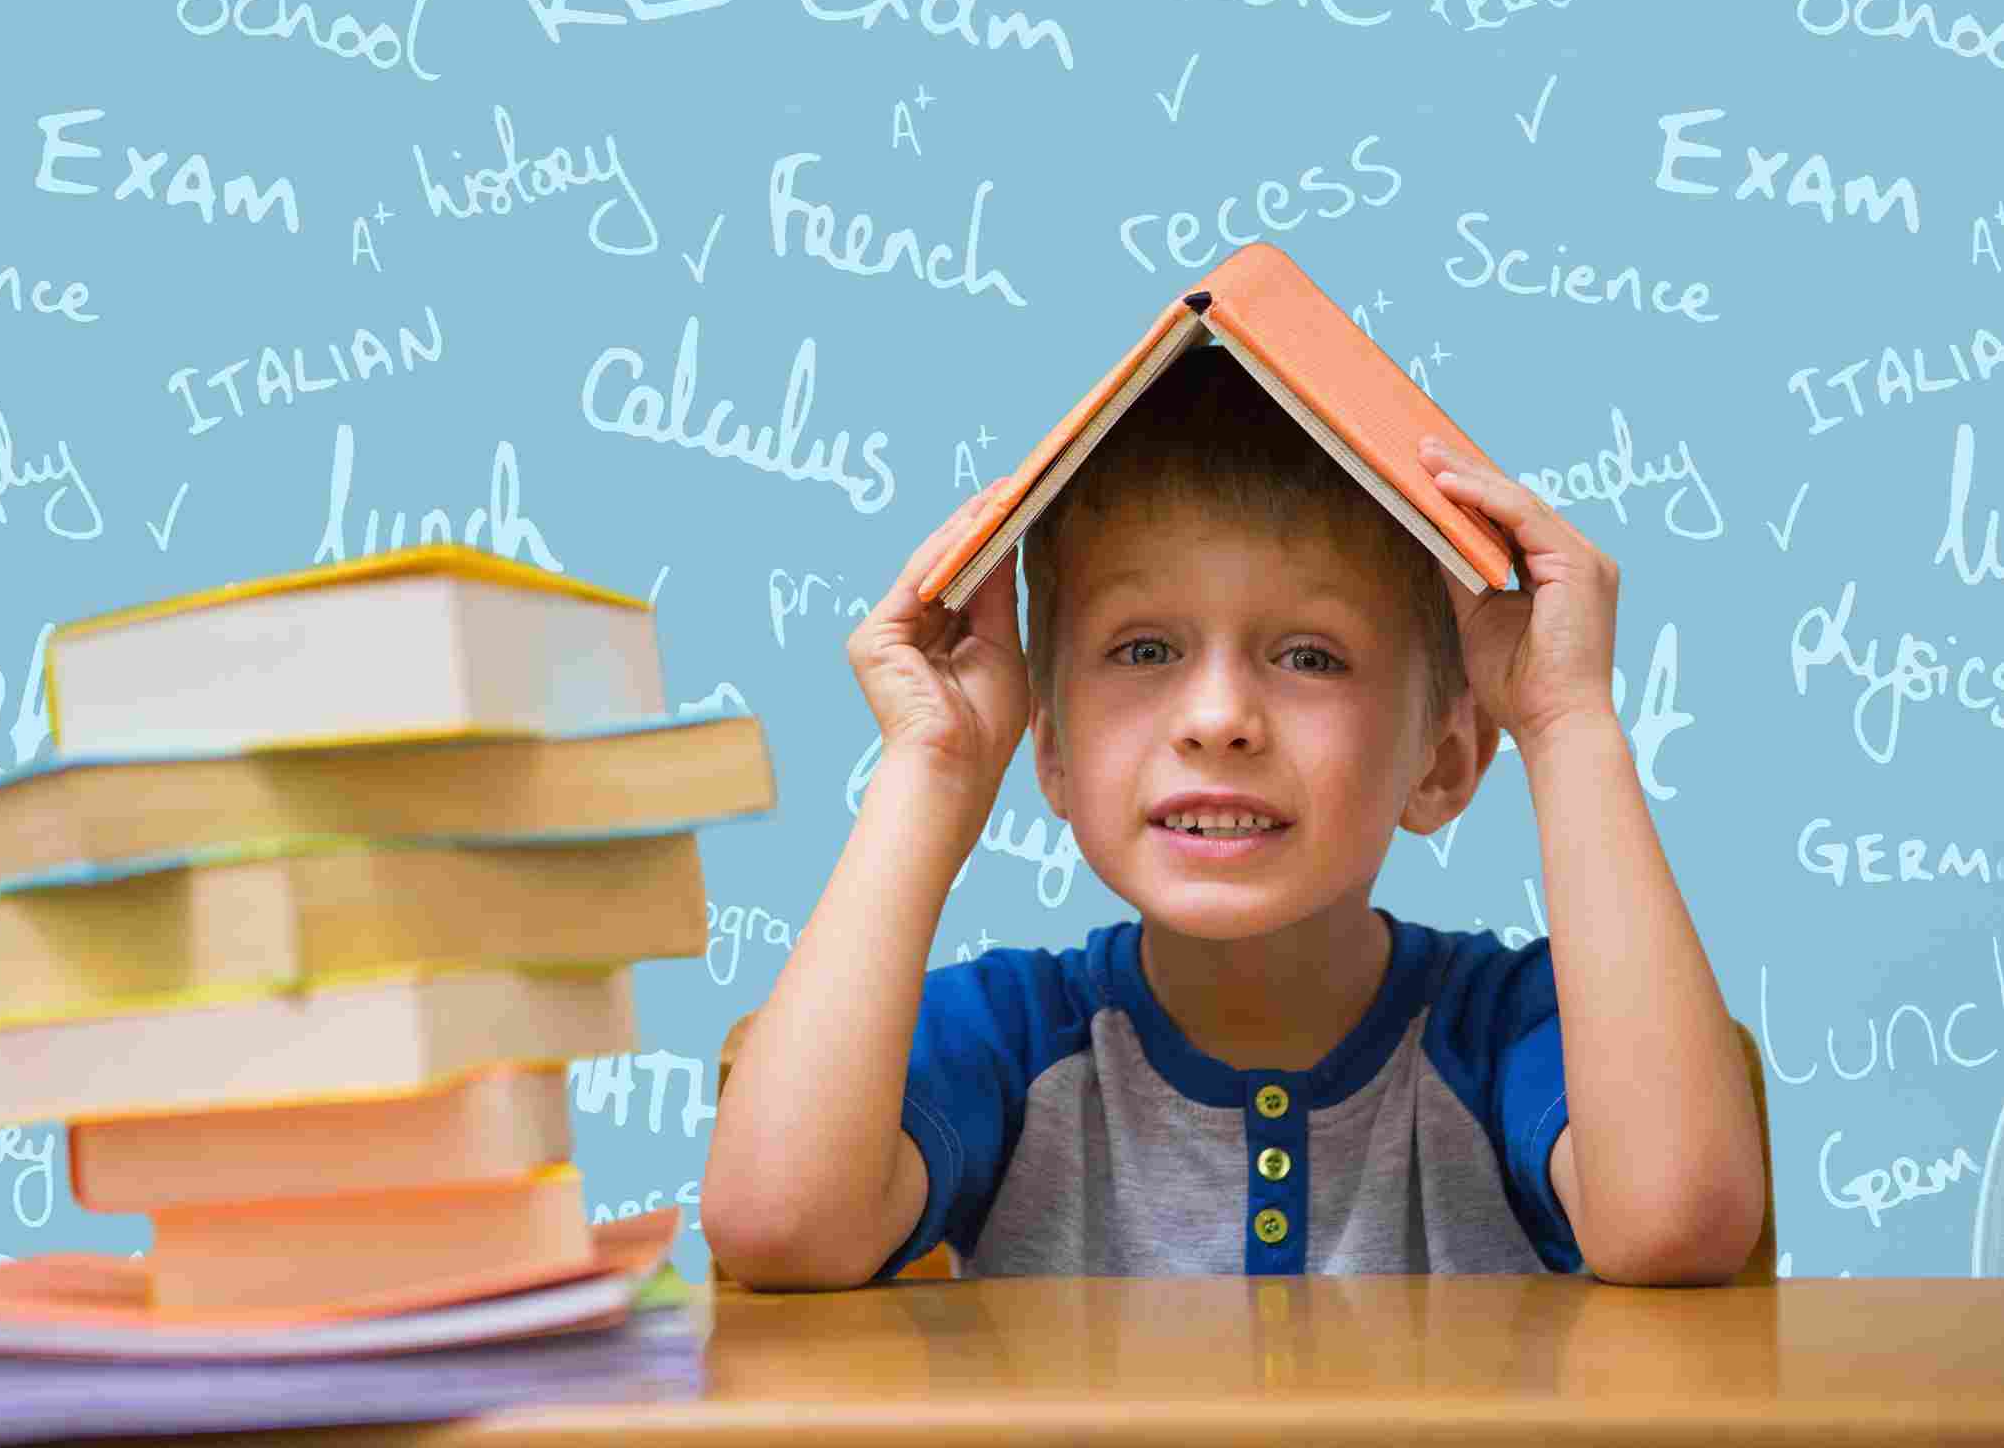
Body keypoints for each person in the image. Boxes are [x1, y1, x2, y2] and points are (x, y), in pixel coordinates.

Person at [702, 344, 1765, 1287]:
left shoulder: (1512, 1034)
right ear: (1053, 753)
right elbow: (779, 1230)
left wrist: (1567, 720)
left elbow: (1674, 1224)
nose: (1217, 719)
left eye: (1309, 657)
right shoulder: (1009, 1039)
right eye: (1143, 649)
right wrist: (928, 767)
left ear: (1440, 761)